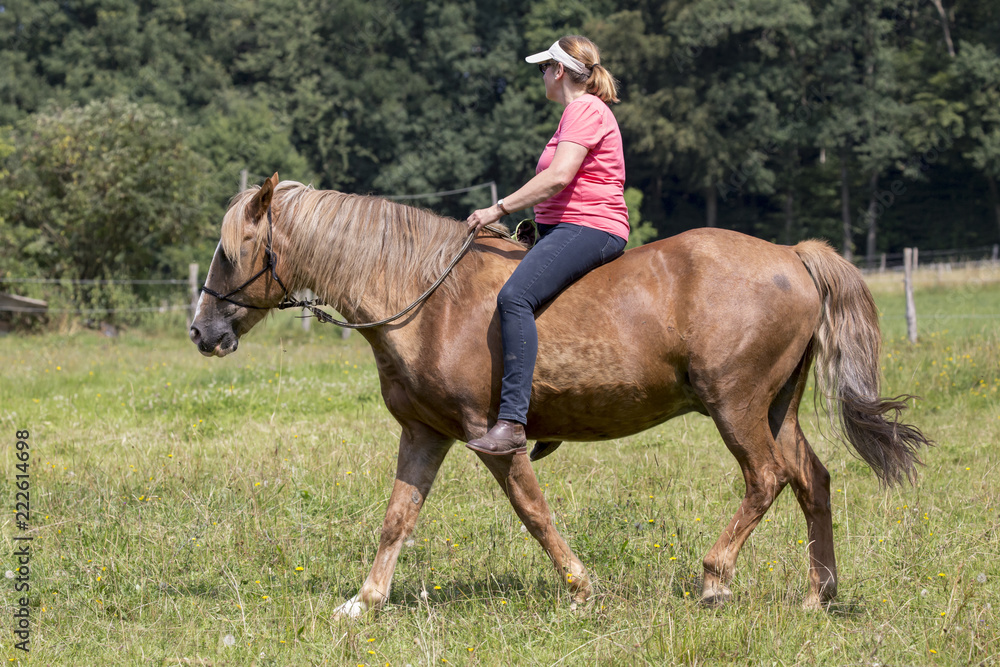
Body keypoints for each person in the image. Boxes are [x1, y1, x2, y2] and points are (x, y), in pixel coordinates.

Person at [465, 35, 629, 457]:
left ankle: (513, 422)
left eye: (543, 68)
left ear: (558, 71)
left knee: (516, 298)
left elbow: (559, 176)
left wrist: (496, 209)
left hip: (589, 226)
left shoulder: (584, 109)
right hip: (565, 227)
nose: (541, 76)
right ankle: (551, 408)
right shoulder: (577, 112)